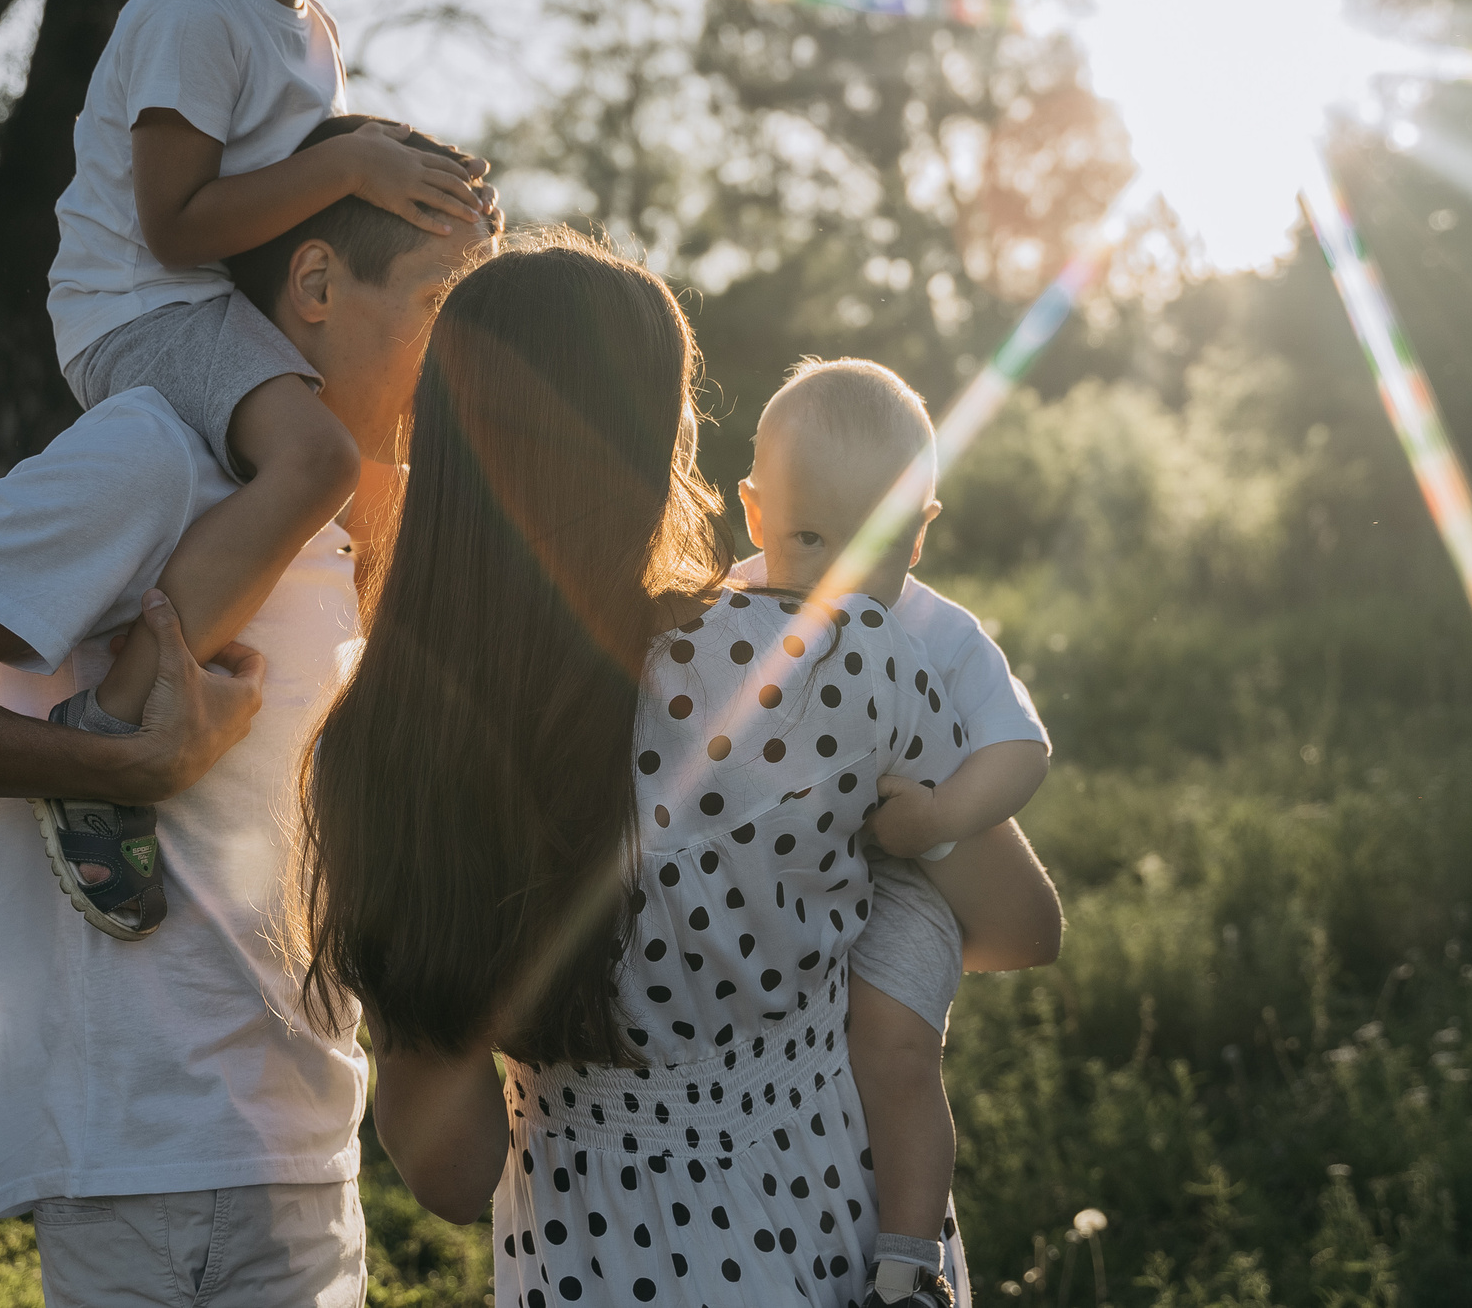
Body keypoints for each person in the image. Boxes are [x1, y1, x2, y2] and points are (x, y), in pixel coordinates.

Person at [0, 193, 497, 1308]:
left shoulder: (355, 518)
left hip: (304, 1149)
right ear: (318, 285)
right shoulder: (149, 457)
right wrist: (115, 769)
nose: (461, 358)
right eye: (440, 303)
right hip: (151, 1164)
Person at [300, 235, 1062, 1308]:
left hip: (592, 1260)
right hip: (834, 1229)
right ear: (658, 440)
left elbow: (455, 1173)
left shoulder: (372, 749)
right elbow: (1022, 926)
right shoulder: (818, 659)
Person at [39, 0, 495, 936]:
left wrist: (415, 195)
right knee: (314, 458)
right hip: (137, 303)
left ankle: (386, 707)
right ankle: (111, 724)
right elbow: (177, 223)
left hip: (212, 300)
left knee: (383, 449)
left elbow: (293, 208)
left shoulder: (309, 32)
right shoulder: (190, 13)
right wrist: (351, 170)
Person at [733, 358, 1054, 1308]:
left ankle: (908, 1265)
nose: (836, 577)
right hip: (800, 867)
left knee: (889, 1043)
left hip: (909, 875)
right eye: (807, 537)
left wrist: (942, 816)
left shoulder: (940, 633)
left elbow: (1020, 749)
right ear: (755, 516)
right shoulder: (734, 603)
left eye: (869, 547)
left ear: (920, 533)